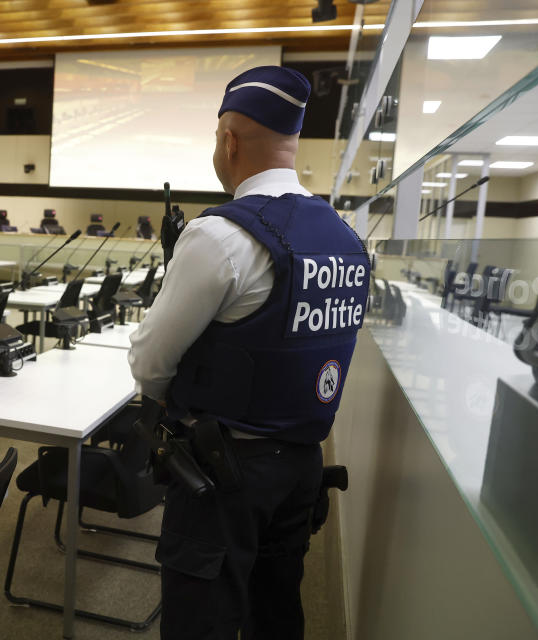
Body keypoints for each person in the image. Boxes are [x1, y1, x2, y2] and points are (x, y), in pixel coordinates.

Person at [128, 66, 370, 639]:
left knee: (201, 621)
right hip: (302, 467)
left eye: (217, 139)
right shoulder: (346, 238)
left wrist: (163, 400)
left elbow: (148, 360)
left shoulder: (221, 237)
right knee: (276, 611)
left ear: (230, 140)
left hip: (223, 475)